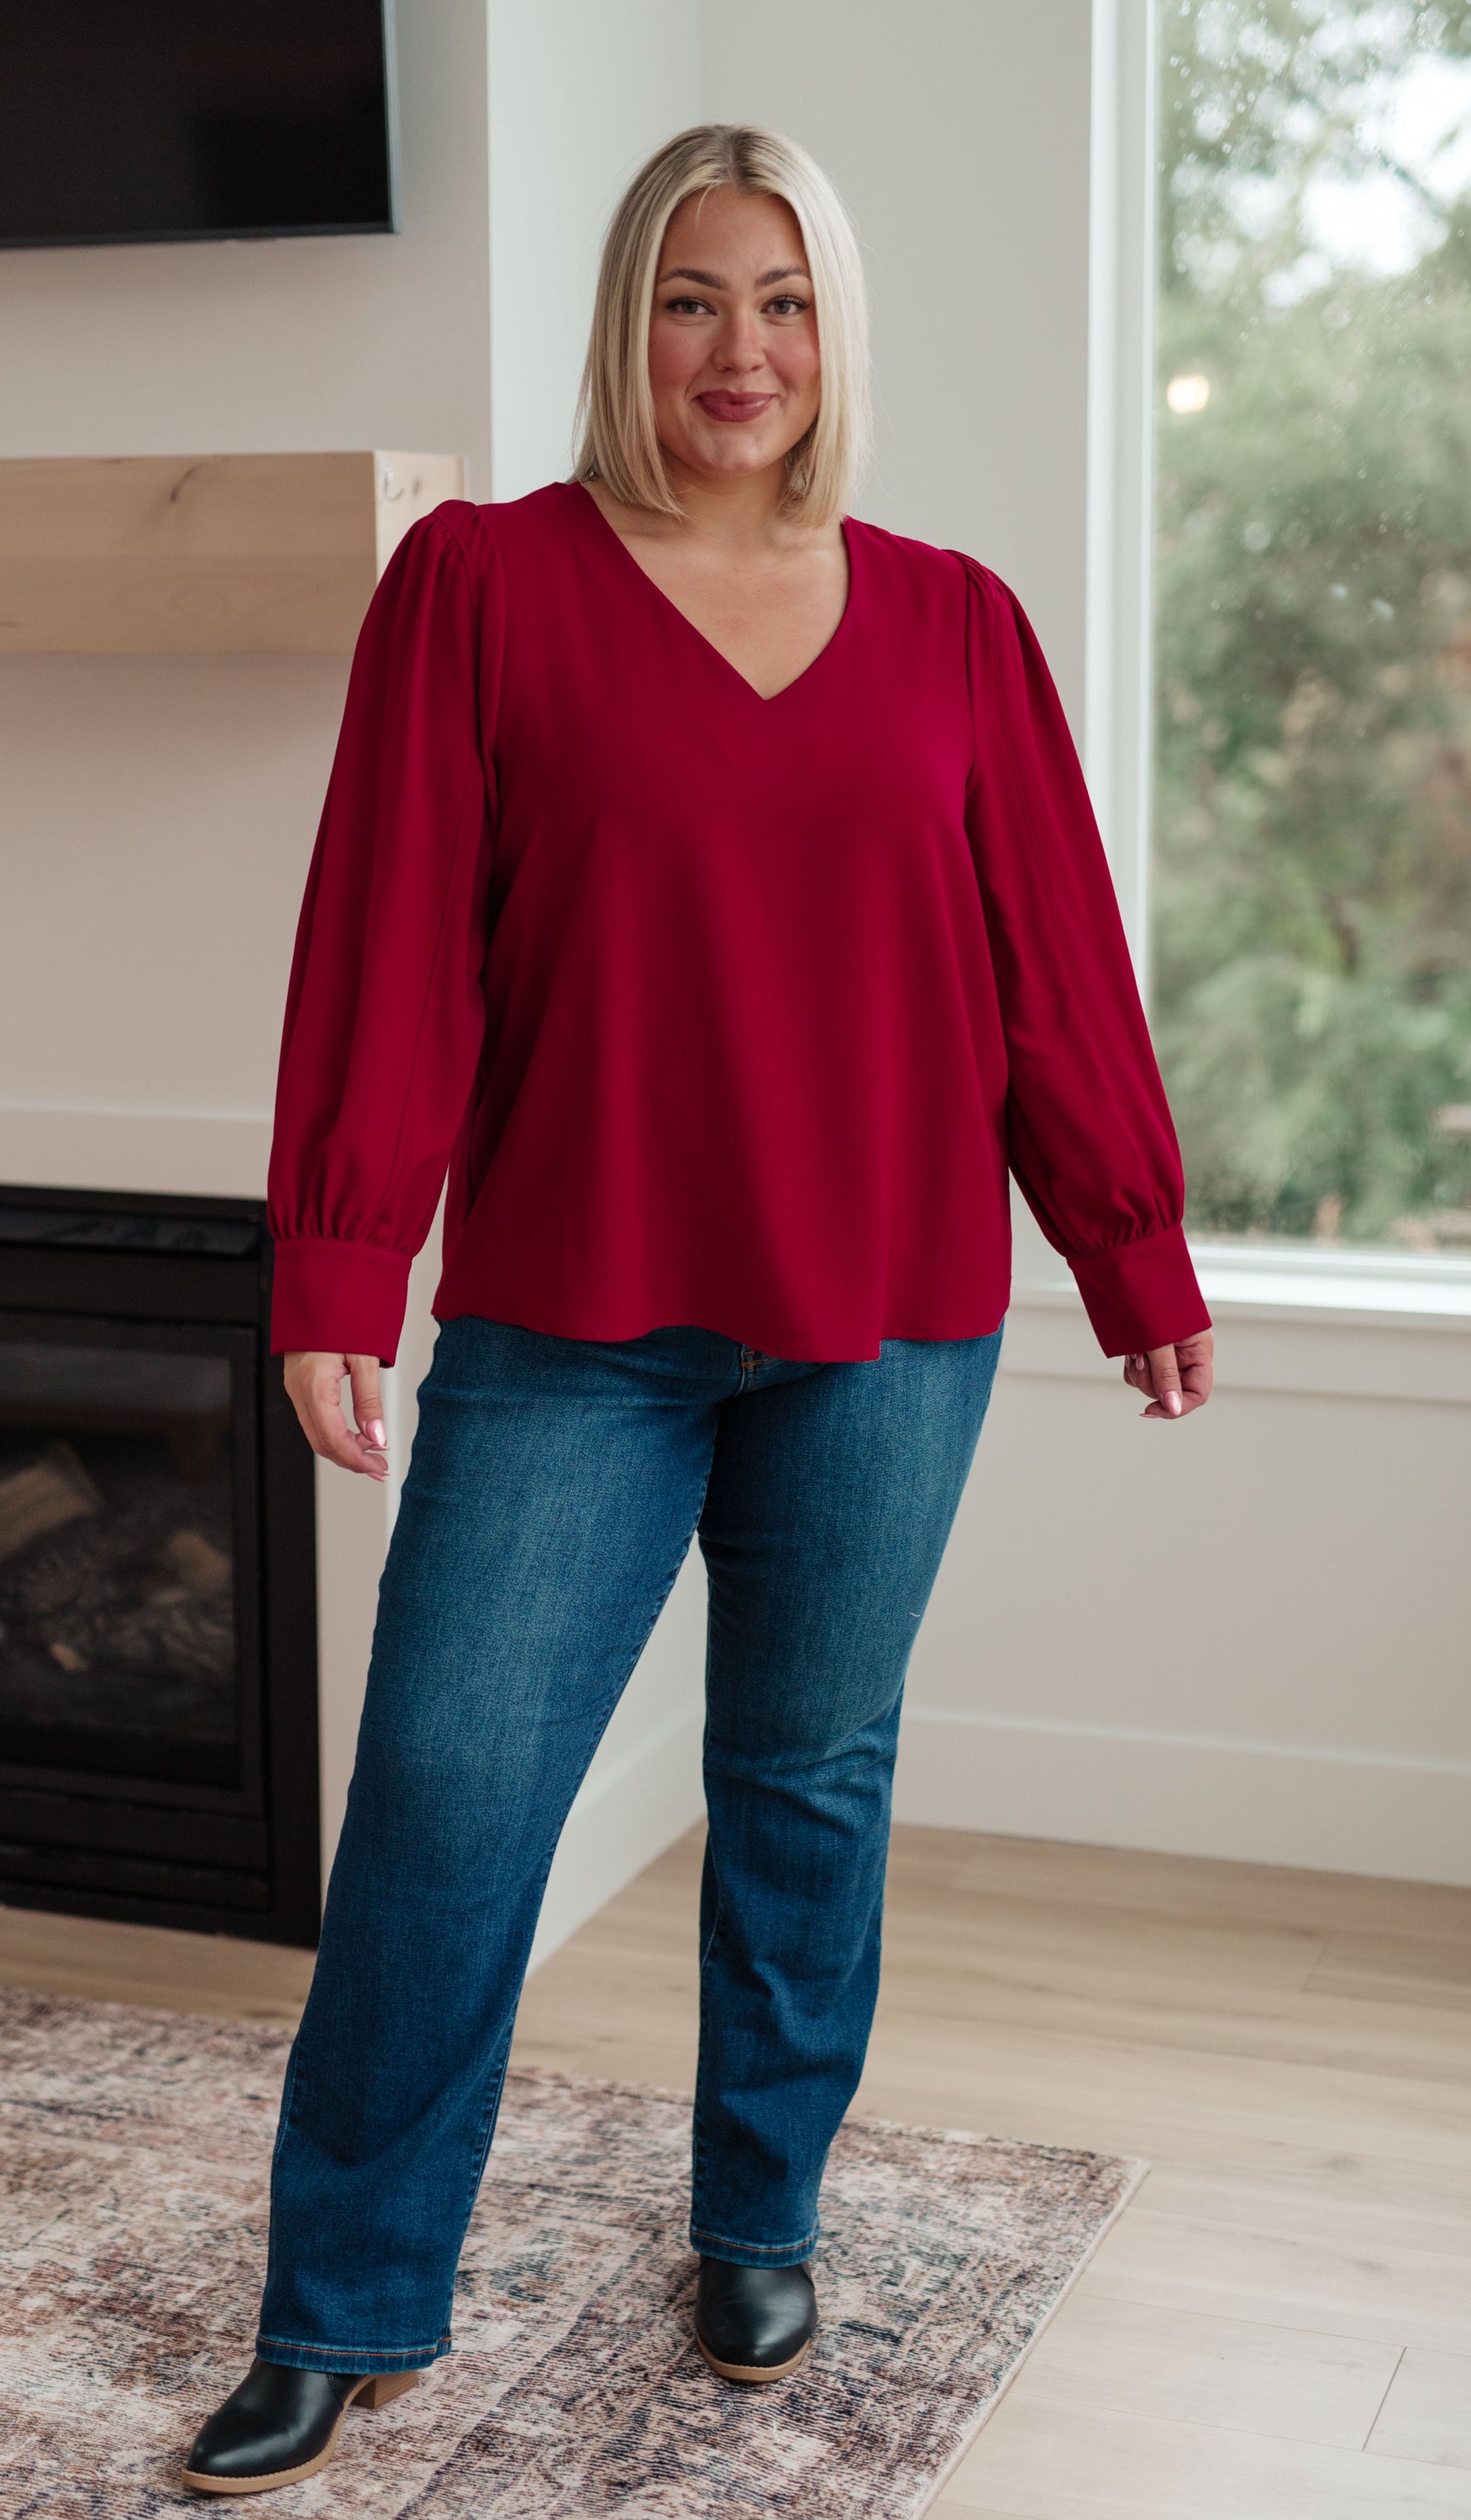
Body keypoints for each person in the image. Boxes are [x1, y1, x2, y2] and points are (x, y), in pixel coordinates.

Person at [181, 122, 1214, 2496]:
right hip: (575, 1320)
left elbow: (1051, 969)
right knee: (449, 1796)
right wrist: (341, 1258)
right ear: (623, 327)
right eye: (687, 297)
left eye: (782, 300)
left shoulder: (957, 622)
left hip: (890, 1317)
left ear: (834, 333)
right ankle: (343, 2303)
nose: (737, 351)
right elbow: (389, 947)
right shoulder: (481, 586)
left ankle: (759, 2217)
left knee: (805, 1782)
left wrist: (1128, 1242)